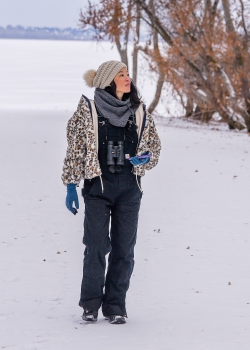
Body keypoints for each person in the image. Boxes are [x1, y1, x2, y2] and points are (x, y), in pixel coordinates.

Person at [61, 60, 161, 324]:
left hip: (130, 189)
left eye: (128, 74)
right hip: (98, 188)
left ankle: (116, 306)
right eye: (121, 74)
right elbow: (75, 149)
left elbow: (154, 148)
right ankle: (91, 304)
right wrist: (71, 185)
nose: (128, 78)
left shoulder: (139, 111)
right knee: (95, 246)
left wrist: (145, 159)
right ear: (108, 80)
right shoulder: (88, 111)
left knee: (124, 250)